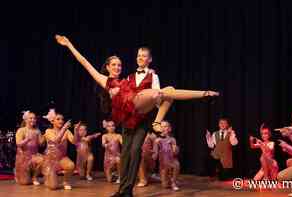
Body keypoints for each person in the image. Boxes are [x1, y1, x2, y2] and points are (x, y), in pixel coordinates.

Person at [55, 35, 219, 197]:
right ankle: (122, 190)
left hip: (139, 113)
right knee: (126, 154)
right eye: (114, 65)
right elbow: (85, 63)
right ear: (107, 67)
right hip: (127, 119)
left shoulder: (127, 79)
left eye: (119, 65)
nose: (117, 67)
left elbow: (143, 91)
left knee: (163, 97)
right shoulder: (105, 80)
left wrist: (151, 80)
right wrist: (69, 44)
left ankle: (128, 189)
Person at [42, 109, 75, 190]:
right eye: (58, 119)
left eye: (62, 119)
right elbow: (56, 140)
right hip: (51, 160)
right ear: (52, 121)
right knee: (53, 187)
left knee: (71, 165)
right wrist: (64, 128)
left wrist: (76, 131)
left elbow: (74, 141)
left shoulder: (66, 131)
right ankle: (48, 176)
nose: (61, 121)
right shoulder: (48, 131)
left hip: (62, 158)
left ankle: (65, 181)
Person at [15, 111, 45, 185]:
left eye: (34, 118)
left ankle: (34, 177)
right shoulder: (21, 130)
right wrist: (26, 140)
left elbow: (41, 144)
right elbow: (18, 144)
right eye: (30, 118)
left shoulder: (37, 131)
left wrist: (44, 137)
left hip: (34, 155)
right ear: (25, 120)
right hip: (24, 157)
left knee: (44, 160)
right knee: (25, 182)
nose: (33, 120)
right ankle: (19, 174)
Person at [152, 121, 180, 191]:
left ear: (169, 128)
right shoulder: (157, 140)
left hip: (171, 161)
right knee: (165, 185)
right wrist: (152, 151)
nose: (164, 128)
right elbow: (155, 155)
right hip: (163, 165)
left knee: (176, 164)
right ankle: (167, 179)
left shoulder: (172, 139)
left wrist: (173, 146)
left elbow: (175, 153)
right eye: (162, 127)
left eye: (166, 126)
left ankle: (173, 182)